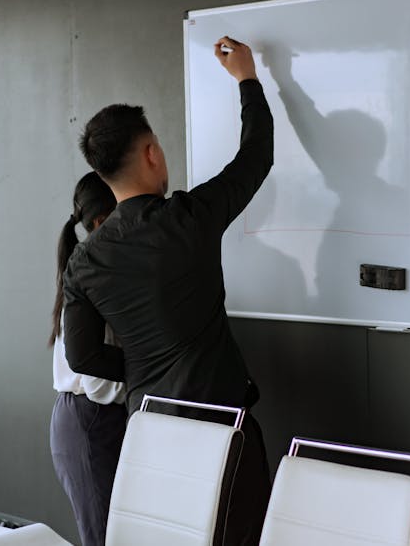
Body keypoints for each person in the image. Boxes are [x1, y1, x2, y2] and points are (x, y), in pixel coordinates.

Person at [62, 36, 273, 544]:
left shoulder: (84, 261)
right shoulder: (188, 219)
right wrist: (247, 78)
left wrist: (142, 365)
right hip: (222, 428)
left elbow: (82, 356)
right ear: (152, 153)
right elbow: (256, 156)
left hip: (149, 431)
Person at [48, 171, 127, 546]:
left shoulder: (89, 268)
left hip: (87, 417)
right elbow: (98, 384)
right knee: (105, 537)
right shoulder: (93, 274)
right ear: (101, 220)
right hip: (90, 419)